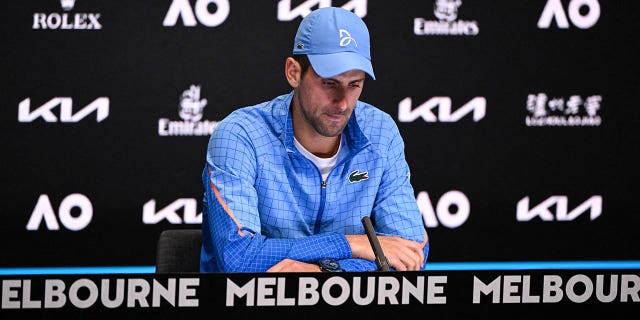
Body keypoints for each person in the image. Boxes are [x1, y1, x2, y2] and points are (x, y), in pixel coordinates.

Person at [200, 7, 429, 272]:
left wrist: (327, 274)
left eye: (354, 84)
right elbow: (238, 257)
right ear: (293, 72)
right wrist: (351, 244)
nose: (342, 102)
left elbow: (410, 250)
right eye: (329, 83)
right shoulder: (240, 136)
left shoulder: (381, 131)